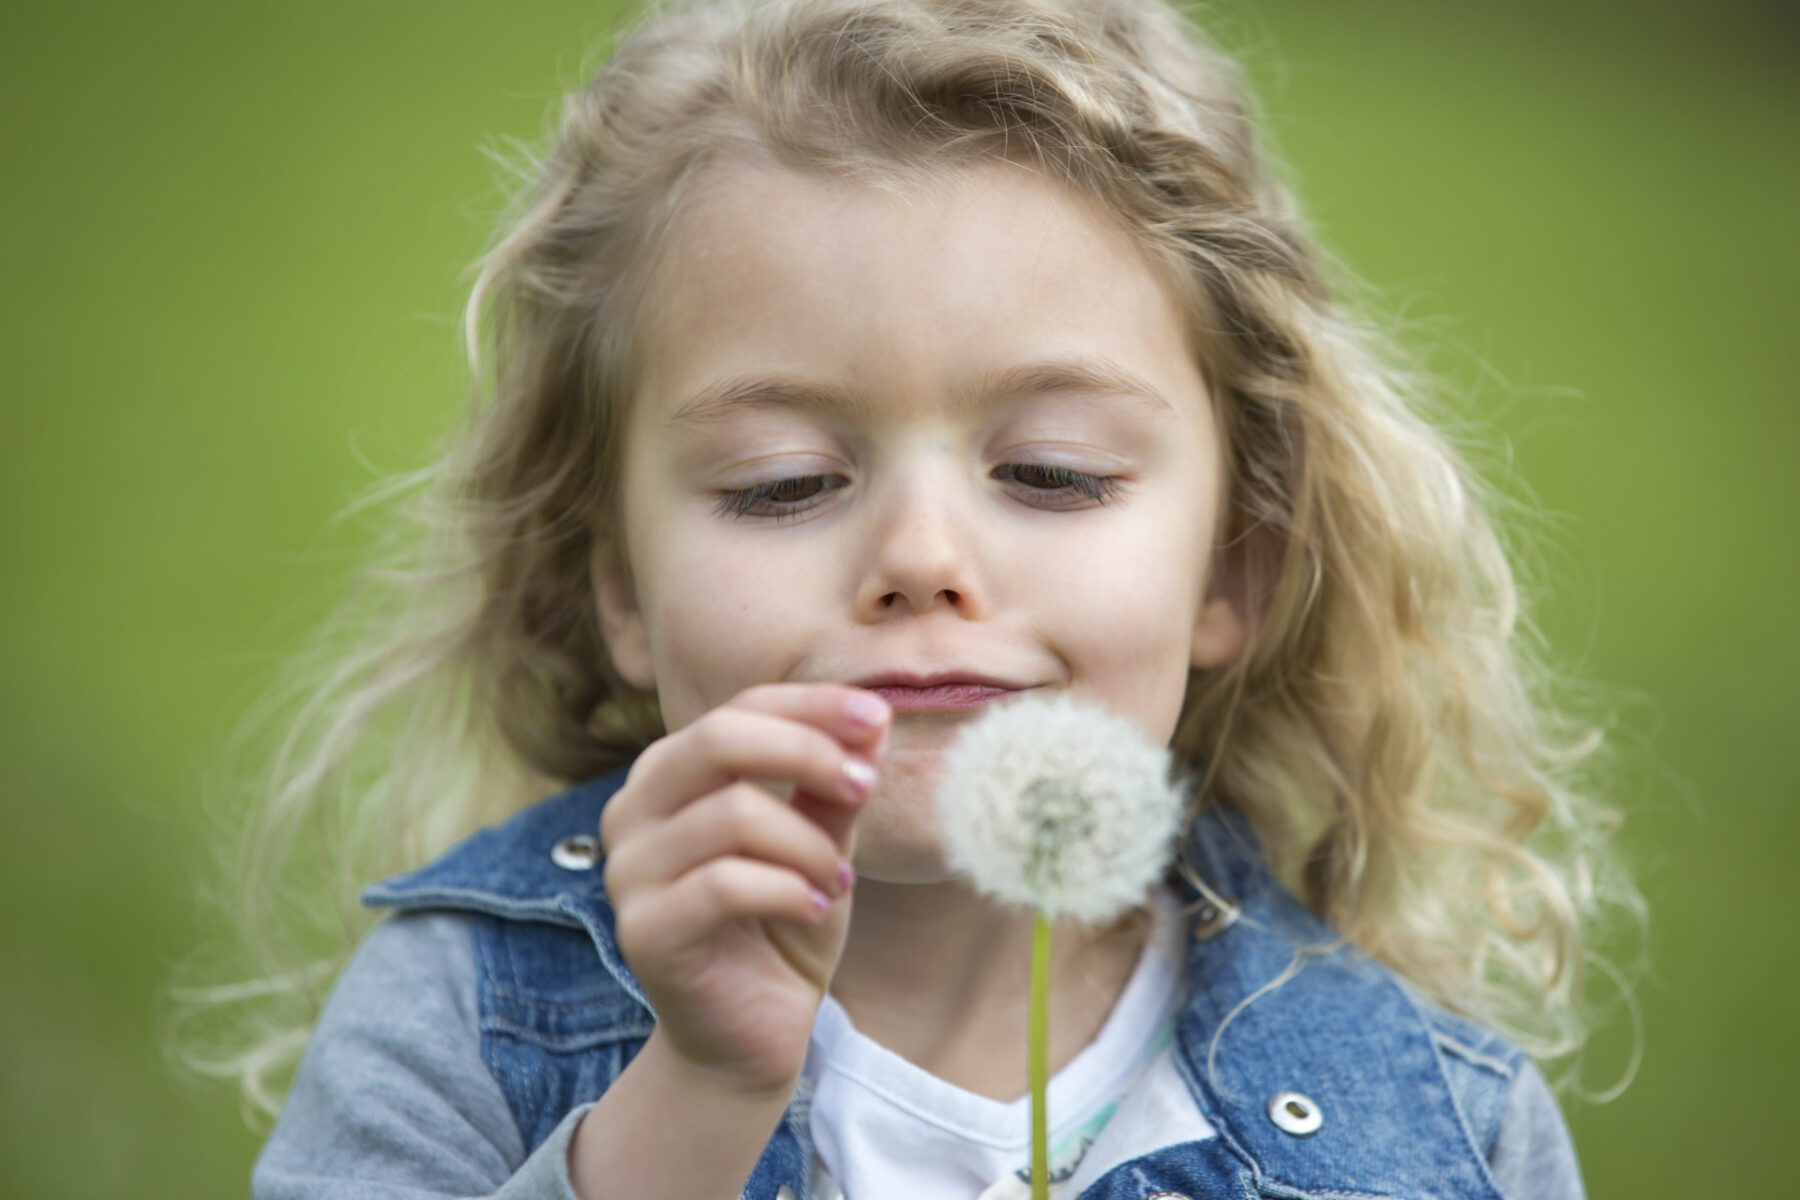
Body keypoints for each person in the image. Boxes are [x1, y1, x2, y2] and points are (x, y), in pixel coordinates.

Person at [213, 1, 1635, 1196]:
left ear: (1237, 570)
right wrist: (691, 1106)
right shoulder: (460, 1021)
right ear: (620, 590)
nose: (921, 555)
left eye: (1052, 470)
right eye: (779, 483)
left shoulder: (1444, 1127)